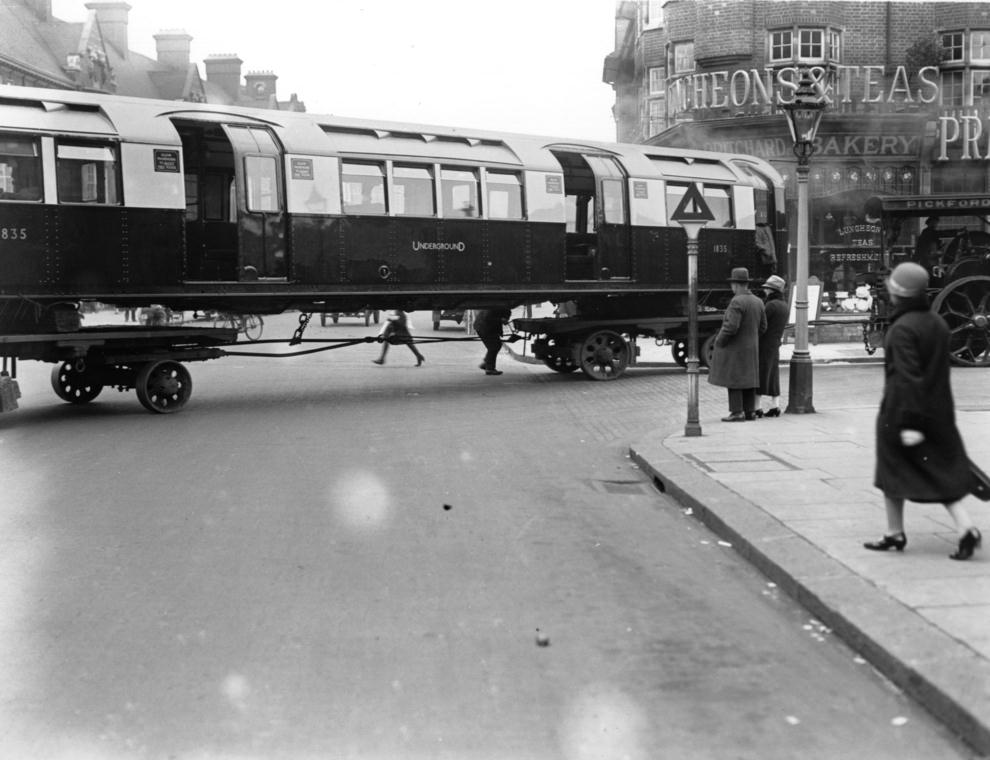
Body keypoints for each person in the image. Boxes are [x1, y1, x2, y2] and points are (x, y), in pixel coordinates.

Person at [866, 262, 981, 561]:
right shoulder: (937, 323)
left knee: (891, 471)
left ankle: (895, 532)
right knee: (938, 471)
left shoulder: (902, 328)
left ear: (898, 293)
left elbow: (907, 377)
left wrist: (909, 423)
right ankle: (965, 527)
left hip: (903, 412)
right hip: (939, 412)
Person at [707, 267, 767, 421]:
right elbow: (763, 327)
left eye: (732, 284)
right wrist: (751, 338)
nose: (731, 287)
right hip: (751, 348)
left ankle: (737, 412)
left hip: (736, 348)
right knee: (748, 379)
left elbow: (731, 327)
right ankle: (750, 412)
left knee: (734, 380)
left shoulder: (737, 301)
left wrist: (719, 341)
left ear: (736, 284)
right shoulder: (758, 301)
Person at [755, 275, 788, 418]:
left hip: (764, 344)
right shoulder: (784, 305)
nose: (765, 291)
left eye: (767, 288)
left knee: (760, 375)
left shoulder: (770, 305)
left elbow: (761, 325)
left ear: (771, 290)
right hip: (775, 344)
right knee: (773, 375)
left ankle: (757, 407)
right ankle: (775, 406)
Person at [474, 307, 511, 376]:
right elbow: (487, 318)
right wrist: (501, 320)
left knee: (496, 345)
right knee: (494, 347)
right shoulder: (495, 308)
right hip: (483, 327)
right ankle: (489, 368)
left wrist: (503, 320)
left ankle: (486, 363)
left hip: (486, 326)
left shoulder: (503, 308)